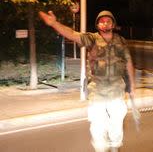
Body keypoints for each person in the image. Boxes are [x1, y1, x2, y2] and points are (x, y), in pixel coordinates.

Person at [39, 10, 135, 152]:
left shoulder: (121, 41)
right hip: (97, 93)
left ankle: (115, 148)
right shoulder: (92, 39)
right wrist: (54, 23)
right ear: (97, 24)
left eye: (108, 20)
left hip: (117, 92)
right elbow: (72, 34)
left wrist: (132, 87)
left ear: (113, 24)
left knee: (116, 127)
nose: (105, 23)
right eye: (102, 21)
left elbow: (128, 63)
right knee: (97, 128)